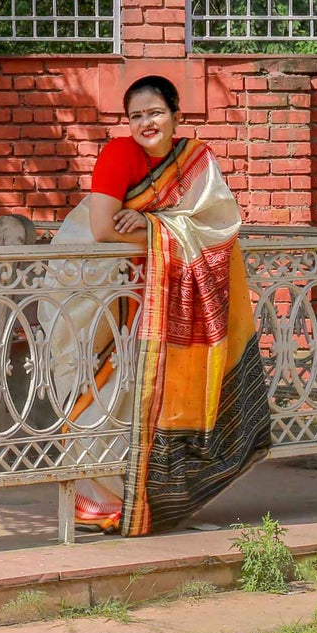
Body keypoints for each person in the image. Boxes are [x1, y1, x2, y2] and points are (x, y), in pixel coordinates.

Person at [70, 74, 271, 535]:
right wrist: (162, 226)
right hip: (107, 293)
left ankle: (156, 496)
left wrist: (149, 223)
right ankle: (98, 500)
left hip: (168, 290)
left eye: (155, 112)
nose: (146, 122)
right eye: (136, 115)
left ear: (176, 115)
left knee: (154, 396)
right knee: (110, 393)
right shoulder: (120, 154)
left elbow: (220, 223)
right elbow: (102, 230)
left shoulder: (196, 160)